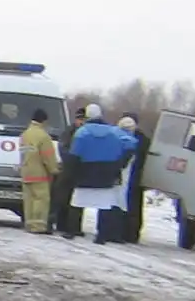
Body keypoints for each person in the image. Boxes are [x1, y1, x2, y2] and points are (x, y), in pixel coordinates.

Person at [69, 104, 140, 242]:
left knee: (77, 202)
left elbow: (74, 154)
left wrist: (72, 172)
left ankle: (72, 230)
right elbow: (124, 148)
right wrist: (117, 167)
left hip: (85, 172)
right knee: (104, 205)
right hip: (106, 173)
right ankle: (101, 236)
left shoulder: (82, 132)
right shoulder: (112, 133)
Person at [20, 107, 59, 233]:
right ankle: (38, 226)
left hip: (26, 172)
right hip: (39, 174)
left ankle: (29, 224)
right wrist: (54, 170)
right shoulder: (43, 136)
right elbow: (48, 156)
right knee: (41, 200)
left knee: (29, 200)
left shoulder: (25, 134)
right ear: (44, 121)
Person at [118, 114, 151, 243]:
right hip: (136, 177)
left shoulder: (120, 136)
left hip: (131, 176)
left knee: (127, 204)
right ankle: (132, 233)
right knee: (134, 205)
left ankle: (126, 232)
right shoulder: (144, 140)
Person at [51, 114, 84, 237]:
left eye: (84, 120)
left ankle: (74, 226)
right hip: (67, 168)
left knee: (77, 199)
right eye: (80, 119)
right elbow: (62, 148)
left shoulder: (83, 132)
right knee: (63, 197)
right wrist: (70, 160)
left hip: (78, 169)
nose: (82, 122)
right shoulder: (69, 132)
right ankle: (61, 223)